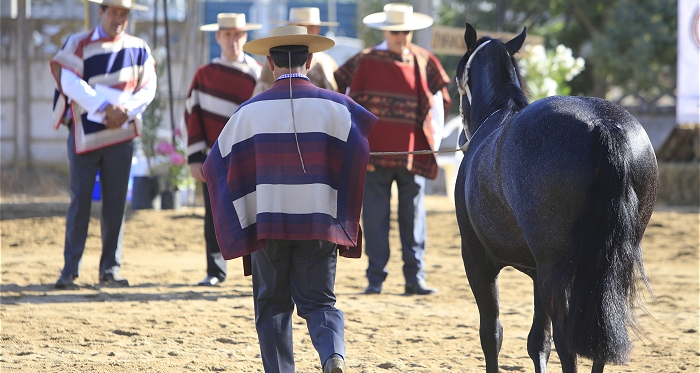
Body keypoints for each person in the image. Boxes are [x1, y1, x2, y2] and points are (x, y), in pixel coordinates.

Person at [203, 26, 377, 373]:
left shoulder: (246, 114)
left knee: (272, 306)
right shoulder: (340, 108)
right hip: (319, 222)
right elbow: (362, 152)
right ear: (310, 60)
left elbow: (213, 167)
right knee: (321, 302)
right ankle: (332, 356)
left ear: (269, 63)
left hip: (268, 225)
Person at [334, 3, 451, 295]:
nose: (402, 36)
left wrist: (432, 141)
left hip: (413, 154)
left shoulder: (424, 61)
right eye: (397, 30)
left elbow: (439, 102)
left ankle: (415, 278)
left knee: (414, 218)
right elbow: (343, 96)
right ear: (385, 30)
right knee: (374, 218)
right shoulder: (365, 61)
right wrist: (356, 142)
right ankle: (376, 278)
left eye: (407, 30)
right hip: (374, 155)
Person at [50, 0, 156, 289]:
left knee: (115, 203)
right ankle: (70, 271)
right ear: (101, 12)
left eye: (124, 13)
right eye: (113, 12)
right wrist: (106, 107)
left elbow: (149, 87)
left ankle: (110, 269)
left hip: (121, 136)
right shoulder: (78, 42)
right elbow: (69, 81)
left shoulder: (139, 47)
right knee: (80, 201)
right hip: (85, 134)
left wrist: (124, 111)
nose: (118, 18)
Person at [184, 13, 263, 286]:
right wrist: (195, 157)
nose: (233, 40)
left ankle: (257, 270)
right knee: (214, 214)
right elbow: (192, 114)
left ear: (246, 36)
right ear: (217, 37)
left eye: (238, 34)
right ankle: (215, 270)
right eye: (227, 34)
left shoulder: (258, 74)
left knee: (254, 214)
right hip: (213, 157)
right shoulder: (204, 75)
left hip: (250, 160)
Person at [252, 7, 338, 95]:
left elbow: (335, 93)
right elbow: (260, 92)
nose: (306, 31)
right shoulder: (276, 59)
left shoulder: (327, 62)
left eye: (311, 27)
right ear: (291, 27)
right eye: (300, 26)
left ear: (318, 30)